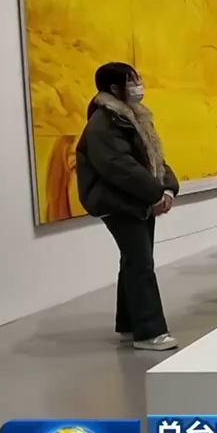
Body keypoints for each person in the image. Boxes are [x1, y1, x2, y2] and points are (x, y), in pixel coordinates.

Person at [76, 62, 180, 351]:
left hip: (137, 199)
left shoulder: (133, 117)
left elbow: (155, 157)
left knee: (134, 260)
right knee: (140, 263)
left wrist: (168, 188)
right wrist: (155, 193)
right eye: (132, 80)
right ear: (114, 88)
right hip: (118, 202)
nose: (138, 85)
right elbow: (119, 166)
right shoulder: (103, 122)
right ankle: (149, 332)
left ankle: (130, 324)